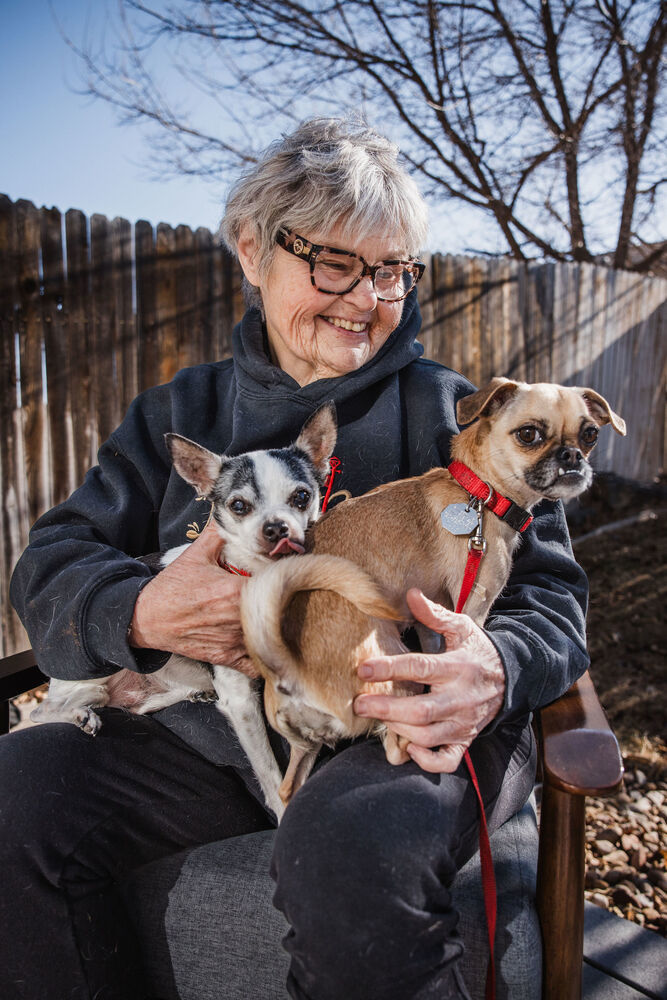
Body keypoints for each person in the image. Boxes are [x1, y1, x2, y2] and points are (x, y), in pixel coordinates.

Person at [2, 118, 588, 1000]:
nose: (364, 297)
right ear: (251, 249)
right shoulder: (179, 410)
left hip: (401, 730)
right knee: (18, 794)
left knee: (346, 848)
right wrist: (139, 610)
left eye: (390, 270)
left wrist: (497, 666)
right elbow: (50, 560)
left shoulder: (460, 416)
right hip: (207, 735)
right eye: (333, 263)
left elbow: (554, 603)